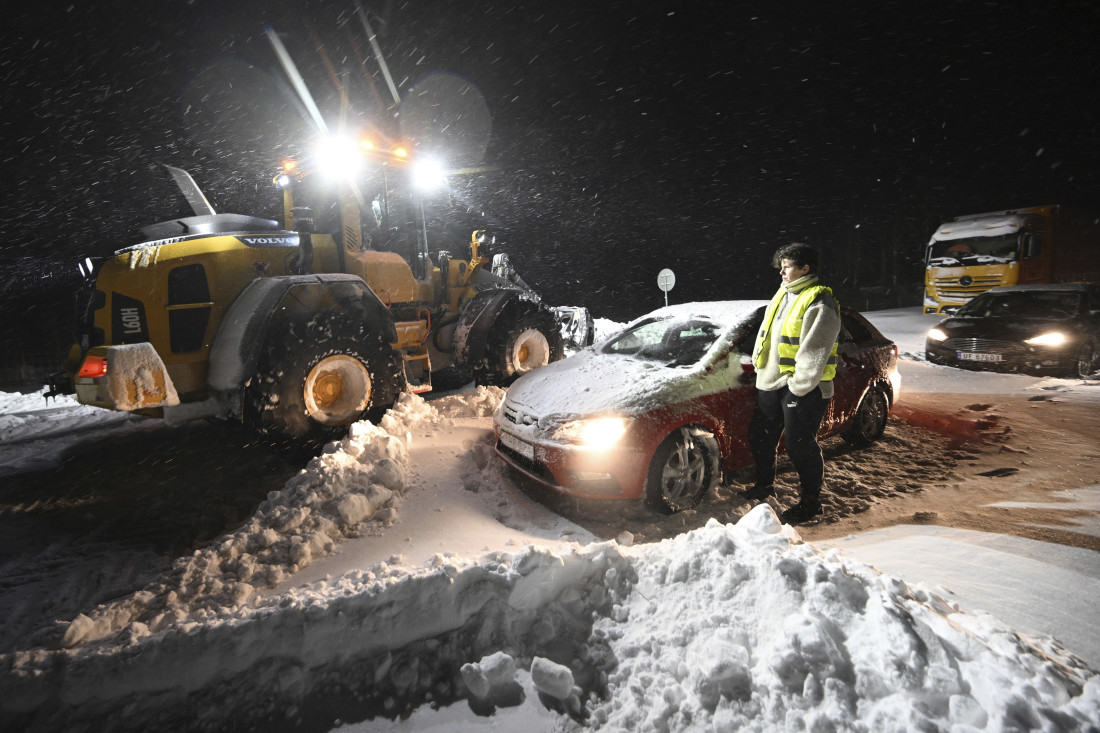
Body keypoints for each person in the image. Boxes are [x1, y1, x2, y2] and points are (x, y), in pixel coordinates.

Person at [743, 242, 842, 524]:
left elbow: (815, 350)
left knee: (800, 446)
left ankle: (811, 503)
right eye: (781, 267)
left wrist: (798, 386)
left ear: (805, 268)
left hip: (803, 387)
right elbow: (767, 334)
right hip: (772, 382)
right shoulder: (783, 294)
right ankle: (764, 486)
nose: (782, 272)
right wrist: (761, 369)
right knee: (760, 436)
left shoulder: (820, 301)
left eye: (787, 267)